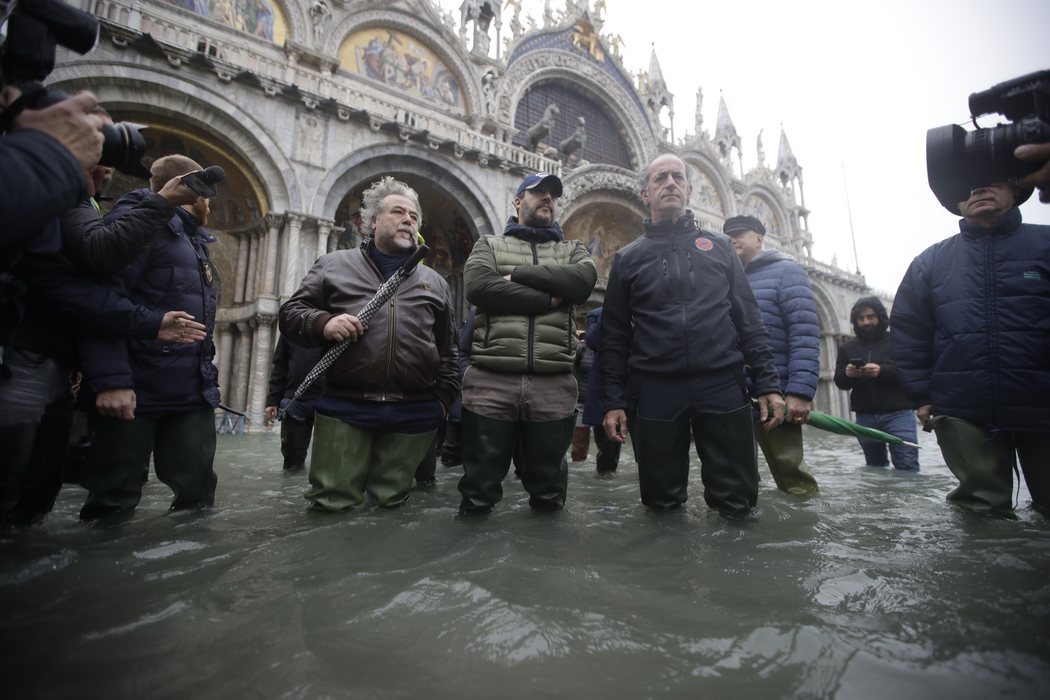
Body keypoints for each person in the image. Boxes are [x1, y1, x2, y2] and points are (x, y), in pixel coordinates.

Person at [600, 154, 785, 515]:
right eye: (660, 178)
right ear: (645, 193)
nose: (670, 182)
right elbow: (614, 337)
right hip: (654, 390)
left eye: (677, 177)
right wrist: (613, 401)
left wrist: (768, 383)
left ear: (688, 188)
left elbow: (749, 321)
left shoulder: (719, 248)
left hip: (722, 384)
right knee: (660, 504)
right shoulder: (627, 258)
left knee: (738, 503)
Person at [279, 177, 459, 511]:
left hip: (414, 412)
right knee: (330, 504)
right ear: (372, 221)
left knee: (392, 507)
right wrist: (324, 323)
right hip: (345, 408)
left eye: (414, 216)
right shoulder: (332, 265)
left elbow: (449, 350)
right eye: (398, 212)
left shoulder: (435, 283)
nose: (409, 219)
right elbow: (290, 314)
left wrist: (441, 404)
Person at [77, 154, 221, 520]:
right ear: (193, 191)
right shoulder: (137, 222)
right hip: (134, 389)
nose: (211, 204)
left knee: (197, 496)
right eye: (207, 194)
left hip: (190, 393)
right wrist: (112, 381)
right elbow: (101, 301)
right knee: (112, 499)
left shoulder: (194, 240)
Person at [892, 180, 1049, 512]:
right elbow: (909, 333)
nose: (977, 190)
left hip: (1043, 400)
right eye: (966, 186)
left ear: (1015, 190)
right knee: (980, 513)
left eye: (990, 182)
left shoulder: (1046, 243)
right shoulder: (930, 262)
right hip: (962, 409)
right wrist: (921, 396)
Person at [457, 172, 597, 514]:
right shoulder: (488, 245)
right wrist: (548, 300)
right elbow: (478, 288)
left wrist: (517, 275)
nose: (547, 197)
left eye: (552, 194)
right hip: (491, 380)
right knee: (479, 488)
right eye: (538, 192)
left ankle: (546, 563)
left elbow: (583, 281)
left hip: (553, 384)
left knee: (549, 490)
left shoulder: (572, 250)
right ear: (518, 201)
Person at [723, 215, 820, 496]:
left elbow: (803, 331)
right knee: (737, 476)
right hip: (733, 395)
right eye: (729, 235)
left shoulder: (787, 271)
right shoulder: (725, 279)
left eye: (740, 233)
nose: (733, 239)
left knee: (791, 474)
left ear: (760, 238)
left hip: (777, 396)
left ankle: (803, 532)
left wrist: (800, 391)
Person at [833, 297, 918, 471]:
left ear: (879, 317)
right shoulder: (846, 347)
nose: (866, 322)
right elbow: (840, 383)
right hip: (865, 416)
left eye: (870, 316)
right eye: (861, 318)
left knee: (907, 466)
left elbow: (911, 372)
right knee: (874, 469)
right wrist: (848, 374)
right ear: (855, 321)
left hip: (899, 414)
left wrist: (881, 371)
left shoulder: (897, 341)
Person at [265, 336, 323, 472]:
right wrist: (272, 400)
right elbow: (280, 363)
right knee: (292, 462)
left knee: (329, 461)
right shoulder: (291, 323)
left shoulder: (341, 317)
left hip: (330, 400)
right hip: (295, 401)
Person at [581, 306, 620, 475]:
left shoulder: (642, 308)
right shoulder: (596, 314)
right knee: (607, 452)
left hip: (638, 385)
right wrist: (610, 310)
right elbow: (593, 341)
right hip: (604, 390)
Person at [570, 329, 592, 462]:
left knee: (608, 451)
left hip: (602, 403)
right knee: (578, 448)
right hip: (581, 402)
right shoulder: (581, 349)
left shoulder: (610, 350)